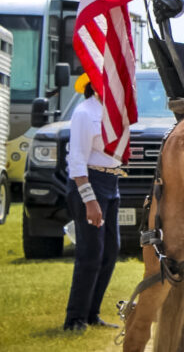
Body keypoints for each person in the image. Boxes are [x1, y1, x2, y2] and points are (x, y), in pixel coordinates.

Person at [63, 73, 121, 331]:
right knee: (90, 253)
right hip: (89, 182)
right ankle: (74, 319)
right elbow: (76, 160)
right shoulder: (84, 113)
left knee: (110, 251)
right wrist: (89, 200)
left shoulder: (113, 111)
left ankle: (91, 314)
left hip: (111, 183)